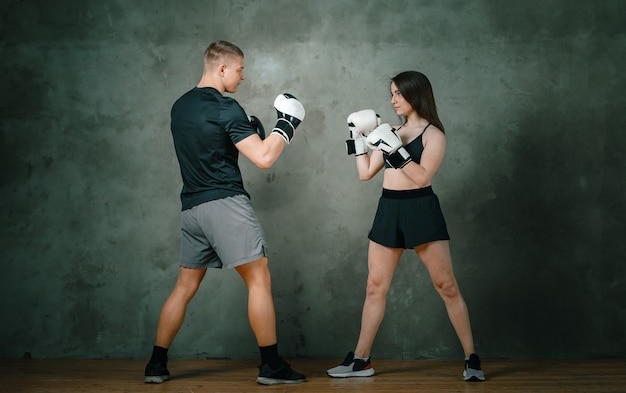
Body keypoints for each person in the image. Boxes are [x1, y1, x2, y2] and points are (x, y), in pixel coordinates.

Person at [144, 40, 306, 385]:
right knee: (259, 278)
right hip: (224, 205)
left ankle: (156, 365)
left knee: (185, 286)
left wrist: (242, 133)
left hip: (192, 209)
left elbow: (208, 148)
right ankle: (271, 366)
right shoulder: (225, 107)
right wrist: (287, 124)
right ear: (221, 68)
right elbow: (263, 157)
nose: (243, 76)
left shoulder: (180, 107)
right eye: (240, 69)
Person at [328, 71, 485, 382]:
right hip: (389, 208)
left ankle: (472, 358)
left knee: (447, 287)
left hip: (420, 208)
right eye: (392, 93)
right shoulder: (390, 130)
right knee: (375, 287)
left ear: (416, 94)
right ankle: (361, 360)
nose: (392, 100)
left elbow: (423, 177)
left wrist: (395, 149)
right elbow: (365, 173)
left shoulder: (433, 134)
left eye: (398, 93)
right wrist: (358, 140)